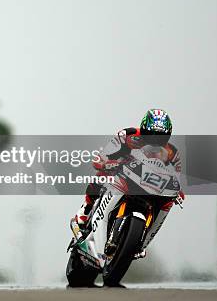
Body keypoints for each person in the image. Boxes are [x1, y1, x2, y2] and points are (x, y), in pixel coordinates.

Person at [70, 109, 184, 258]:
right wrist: (105, 162)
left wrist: (178, 191)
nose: (155, 140)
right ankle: (86, 209)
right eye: (151, 135)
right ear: (143, 129)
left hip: (149, 184)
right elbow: (102, 156)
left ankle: (142, 242)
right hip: (122, 171)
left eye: (161, 137)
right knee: (102, 175)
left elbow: (176, 176)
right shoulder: (127, 135)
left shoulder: (172, 153)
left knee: (168, 202)